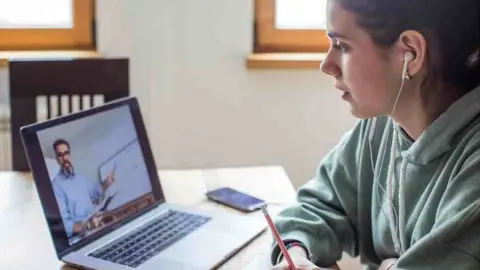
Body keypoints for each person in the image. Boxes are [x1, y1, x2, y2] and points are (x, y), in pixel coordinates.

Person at [270, 0, 480, 269]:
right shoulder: (381, 125)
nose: (327, 64)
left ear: (410, 54)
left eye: (342, 46)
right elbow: (315, 208)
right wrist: (296, 255)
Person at [51, 138, 116, 238]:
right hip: (82, 236)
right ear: (57, 159)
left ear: (70, 155)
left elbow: (94, 193)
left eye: (66, 153)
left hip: (97, 226)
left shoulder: (80, 176)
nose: (65, 158)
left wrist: (106, 183)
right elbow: (63, 224)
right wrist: (87, 226)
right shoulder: (56, 185)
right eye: (60, 155)